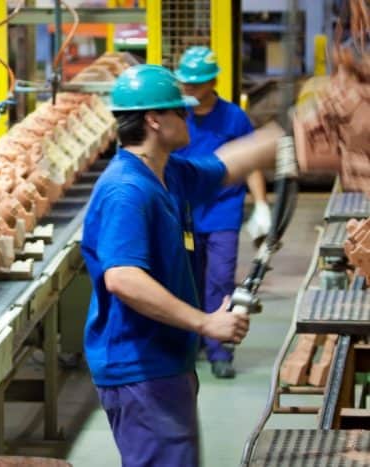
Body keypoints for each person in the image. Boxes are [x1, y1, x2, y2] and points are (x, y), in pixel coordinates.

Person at [81, 64, 283, 466]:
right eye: (180, 110)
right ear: (155, 120)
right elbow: (123, 278)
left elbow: (226, 165)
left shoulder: (165, 172)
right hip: (141, 367)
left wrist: (295, 133)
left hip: (164, 361)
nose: (189, 116)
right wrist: (205, 323)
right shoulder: (127, 190)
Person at [173, 45, 271, 378]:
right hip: (186, 211)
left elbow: (252, 163)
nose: (189, 88)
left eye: (196, 83)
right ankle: (192, 341)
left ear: (213, 82)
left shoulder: (233, 118)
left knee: (219, 278)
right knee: (187, 278)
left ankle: (219, 350)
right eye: (186, 82)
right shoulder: (177, 116)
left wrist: (261, 205)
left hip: (222, 211)